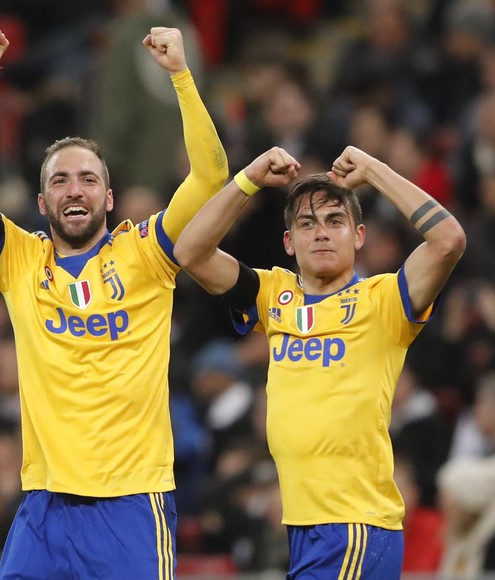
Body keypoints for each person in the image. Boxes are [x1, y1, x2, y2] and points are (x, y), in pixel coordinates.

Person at [0, 27, 227, 579]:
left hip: (131, 503)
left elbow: (211, 176)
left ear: (110, 196)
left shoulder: (148, 252)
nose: (76, 189)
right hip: (45, 504)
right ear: (44, 200)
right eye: (62, 181)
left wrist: (182, 78)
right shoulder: (18, 260)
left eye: (89, 179)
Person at [174, 144, 466, 578]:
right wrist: (250, 178)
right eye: (307, 224)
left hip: (355, 524)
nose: (322, 233)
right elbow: (190, 252)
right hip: (303, 525)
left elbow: (449, 240)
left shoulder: (384, 300)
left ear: (359, 236)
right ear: (289, 243)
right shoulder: (274, 295)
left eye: (335, 221)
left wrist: (374, 170)